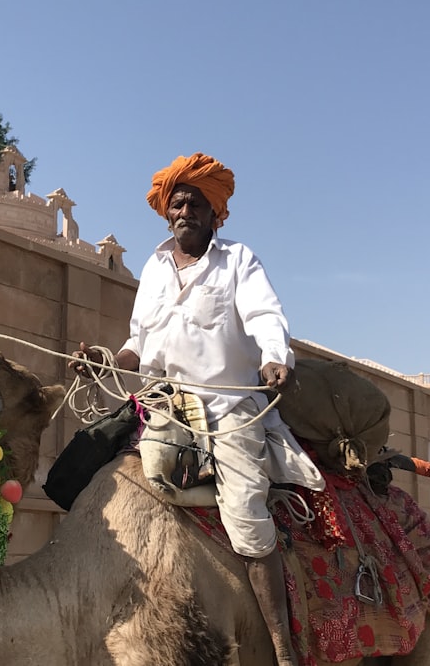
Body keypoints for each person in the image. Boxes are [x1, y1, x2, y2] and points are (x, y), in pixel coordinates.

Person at [71, 152, 323, 666]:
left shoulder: (238, 261)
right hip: (165, 405)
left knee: (247, 515)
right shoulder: (155, 268)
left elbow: (264, 315)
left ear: (215, 214)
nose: (183, 211)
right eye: (176, 203)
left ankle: (282, 649)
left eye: (194, 203)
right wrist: (106, 359)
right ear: (167, 213)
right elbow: (138, 342)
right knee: (83, 469)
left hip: (231, 406)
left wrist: (275, 358)